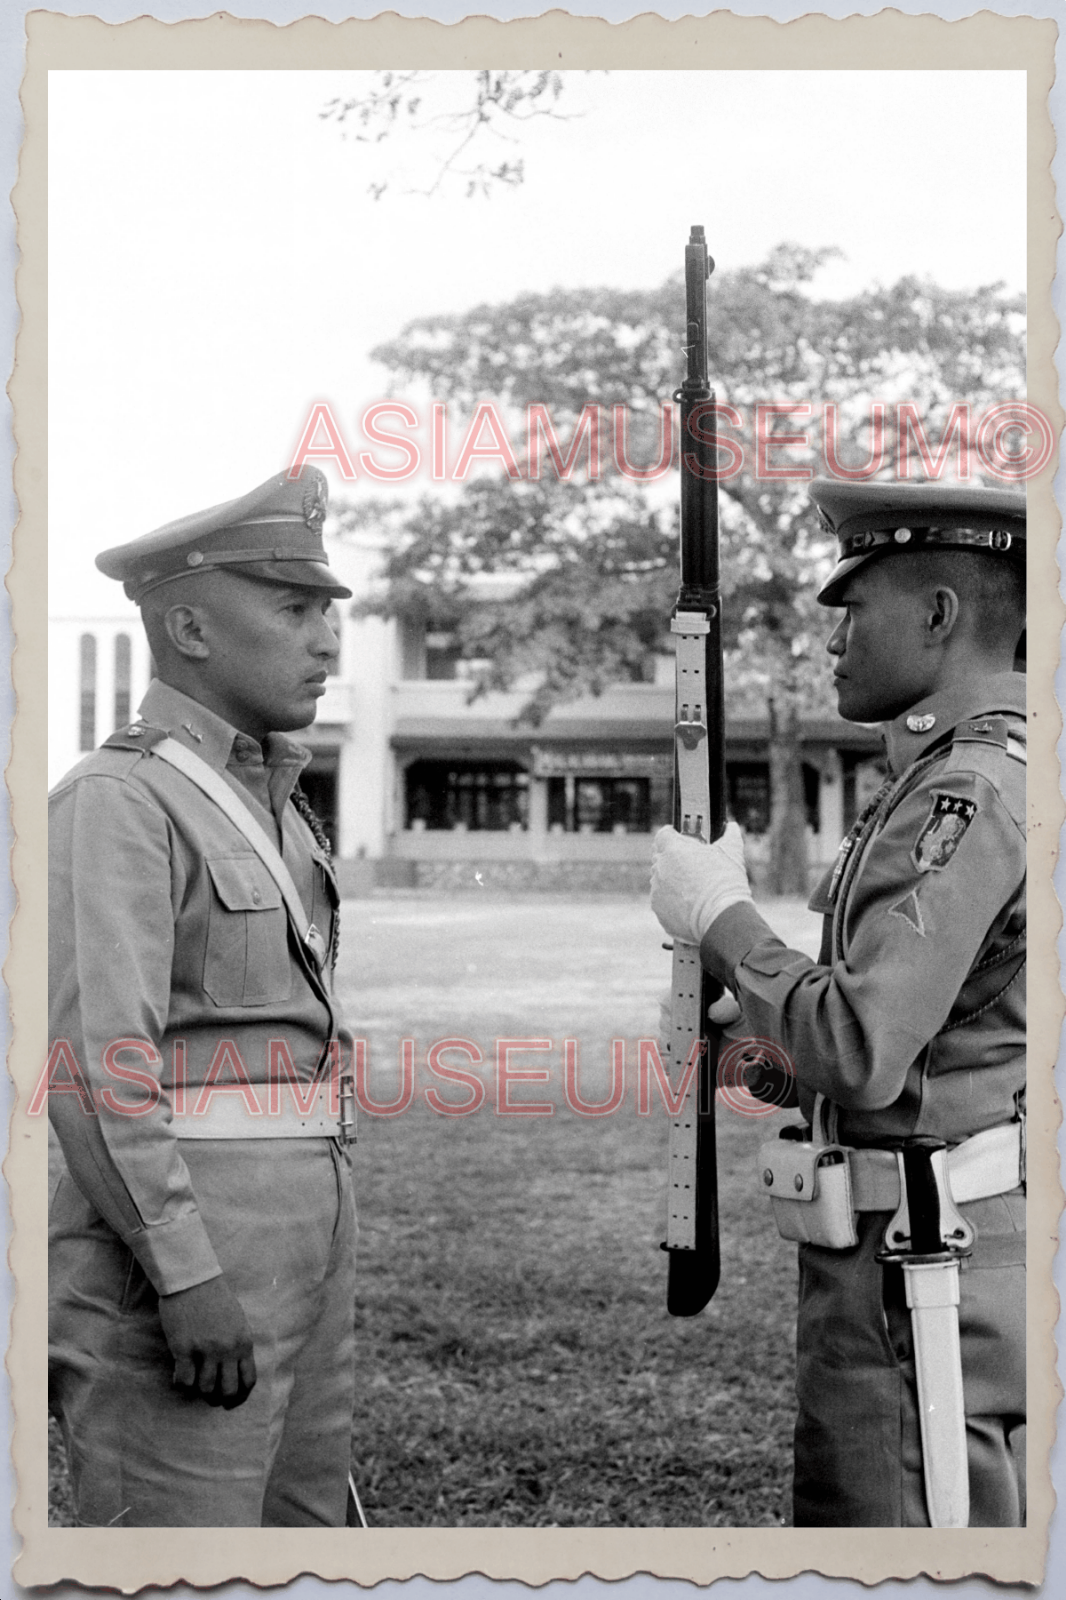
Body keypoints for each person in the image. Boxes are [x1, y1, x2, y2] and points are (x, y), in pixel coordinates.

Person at [651, 478, 1027, 1528]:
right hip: (934, 1230)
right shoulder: (974, 772)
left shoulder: (973, 789)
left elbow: (861, 1044)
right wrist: (759, 1046)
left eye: (854, 609)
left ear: (940, 614)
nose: (834, 639)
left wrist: (721, 917)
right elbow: (931, 1042)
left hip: (923, 1267)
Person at [48, 466, 360, 1527]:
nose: (327, 641)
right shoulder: (119, 798)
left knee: (302, 1539)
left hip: (303, 1235)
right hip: (186, 1250)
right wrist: (184, 1274)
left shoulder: (274, 801)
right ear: (186, 625)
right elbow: (98, 1067)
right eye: (294, 608)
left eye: (328, 612)